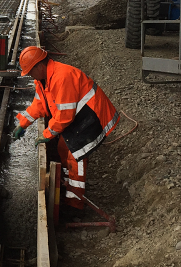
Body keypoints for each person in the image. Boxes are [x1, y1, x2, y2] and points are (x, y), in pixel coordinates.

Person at [12, 46, 119, 209]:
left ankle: (75, 203)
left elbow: (65, 116)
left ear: (39, 66)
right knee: (63, 147)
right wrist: (22, 124)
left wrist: (47, 134)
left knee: (76, 155)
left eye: (30, 72)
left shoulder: (61, 77)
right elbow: (39, 105)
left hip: (92, 116)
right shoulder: (42, 80)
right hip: (79, 115)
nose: (29, 75)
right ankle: (69, 185)